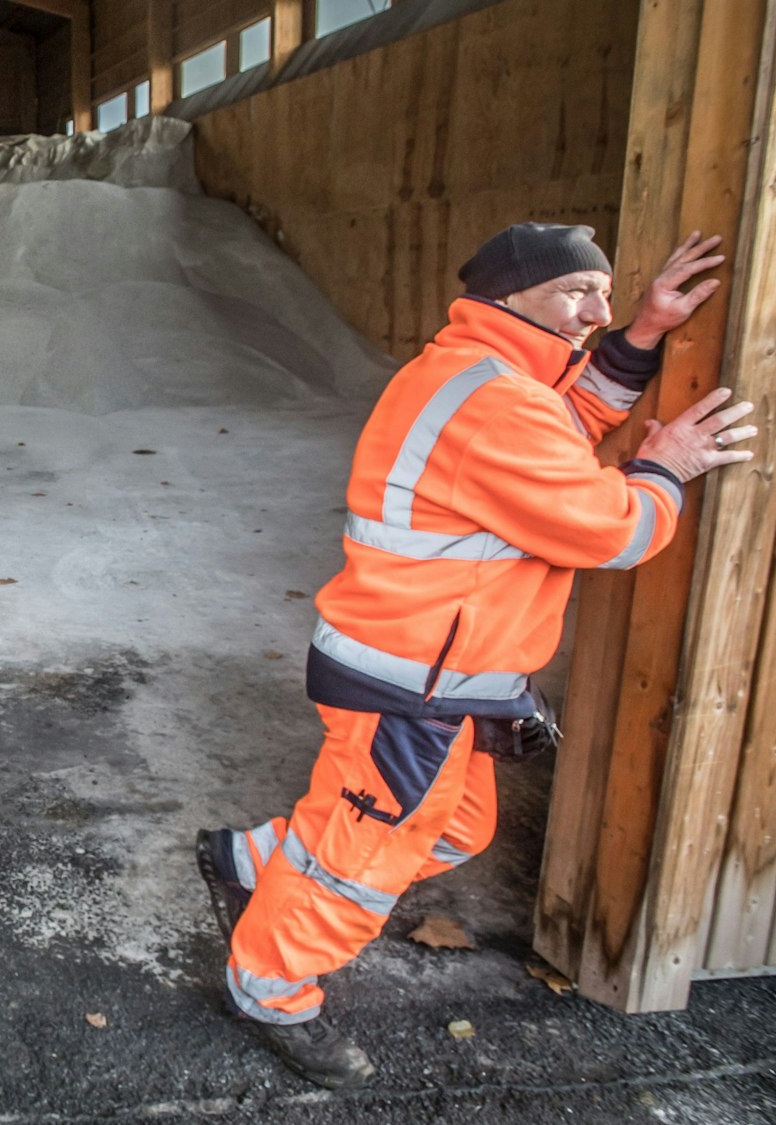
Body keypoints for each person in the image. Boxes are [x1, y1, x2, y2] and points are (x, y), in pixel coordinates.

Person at [195, 224, 756, 1088]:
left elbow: (568, 421)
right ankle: (268, 985)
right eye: (578, 293)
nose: (596, 311)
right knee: (364, 853)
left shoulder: (489, 377)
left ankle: (249, 861)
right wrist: (665, 466)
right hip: (410, 681)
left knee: (455, 825)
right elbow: (613, 527)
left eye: (606, 293)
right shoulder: (494, 400)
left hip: (428, 674)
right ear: (509, 296)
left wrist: (643, 333)